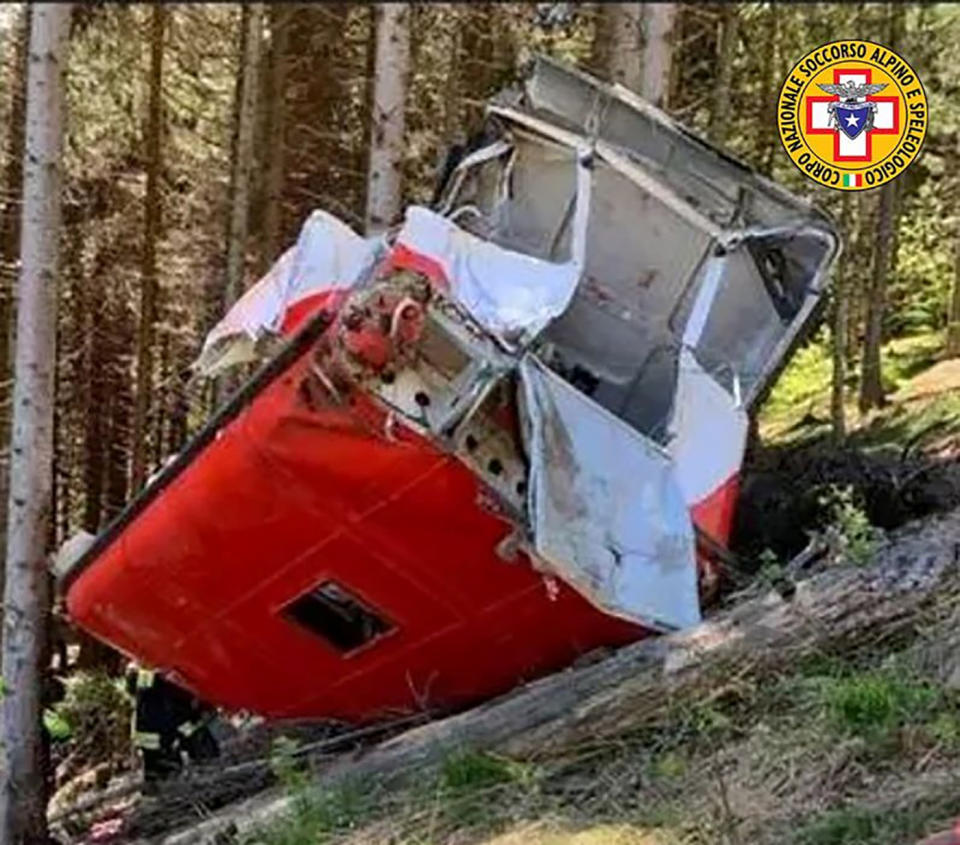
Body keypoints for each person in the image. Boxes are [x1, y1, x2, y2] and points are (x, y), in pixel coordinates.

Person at [126, 665, 219, 784]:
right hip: (159, 732)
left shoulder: (148, 676)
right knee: (163, 770)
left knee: (161, 770)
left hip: (156, 731)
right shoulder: (162, 682)